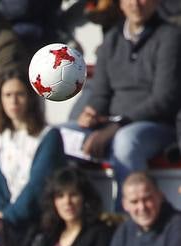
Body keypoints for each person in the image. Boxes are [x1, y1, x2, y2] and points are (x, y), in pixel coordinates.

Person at [60, 0, 181, 195]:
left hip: (155, 127)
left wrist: (117, 125)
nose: (136, 4)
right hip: (112, 125)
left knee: (126, 141)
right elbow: (101, 94)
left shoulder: (171, 37)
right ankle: (74, 214)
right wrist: (92, 112)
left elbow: (165, 99)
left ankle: (128, 219)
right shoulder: (111, 39)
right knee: (58, 136)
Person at [0, 69, 65, 246]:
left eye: (19, 94)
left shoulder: (49, 136)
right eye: (7, 95)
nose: (14, 101)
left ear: (30, 97)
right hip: (4, 224)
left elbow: (38, 185)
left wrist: (8, 218)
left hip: (34, 222)